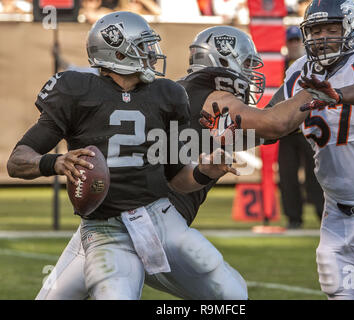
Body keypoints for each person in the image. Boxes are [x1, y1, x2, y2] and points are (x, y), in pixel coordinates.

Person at [33, 24, 317, 300]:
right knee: (231, 296)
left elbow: (268, 129)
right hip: (152, 224)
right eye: (246, 64)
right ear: (224, 61)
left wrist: (298, 86)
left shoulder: (186, 96)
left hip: (105, 219)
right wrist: (315, 84)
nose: (251, 73)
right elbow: (275, 123)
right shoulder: (214, 97)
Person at [7, 12, 240, 300]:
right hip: (104, 226)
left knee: (231, 293)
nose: (152, 54)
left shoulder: (167, 95)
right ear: (117, 51)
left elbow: (177, 180)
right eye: (143, 46)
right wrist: (54, 162)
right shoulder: (77, 91)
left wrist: (205, 171)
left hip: (160, 218)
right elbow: (17, 161)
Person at [205, 0, 354, 300]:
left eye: (331, 28)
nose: (322, 37)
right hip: (337, 213)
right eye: (316, 30)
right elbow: (273, 124)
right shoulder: (300, 72)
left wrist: (339, 95)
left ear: (351, 28)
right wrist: (231, 136)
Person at [278, 26, 324, 229]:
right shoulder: (280, 66)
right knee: (287, 175)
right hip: (287, 129)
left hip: (308, 127)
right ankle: (293, 218)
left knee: (315, 174)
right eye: (291, 41)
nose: (295, 44)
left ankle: (322, 214)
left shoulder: (312, 65)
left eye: (298, 40)